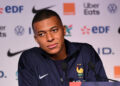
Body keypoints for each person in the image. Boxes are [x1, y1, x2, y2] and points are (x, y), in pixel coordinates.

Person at [18, 8, 108, 86]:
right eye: (41, 34)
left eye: (54, 30)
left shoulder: (85, 52)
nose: (49, 38)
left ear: (64, 30)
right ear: (36, 39)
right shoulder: (29, 59)